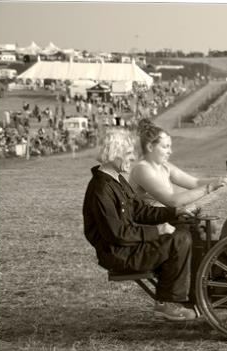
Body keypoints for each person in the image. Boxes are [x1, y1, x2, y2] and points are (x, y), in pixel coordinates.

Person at [82, 128, 196, 321]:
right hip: (118, 253)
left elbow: (141, 211)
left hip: (126, 246)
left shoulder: (117, 181)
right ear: (113, 154)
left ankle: (190, 292)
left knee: (186, 227)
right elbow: (117, 233)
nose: (133, 157)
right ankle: (166, 303)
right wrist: (158, 230)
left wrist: (175, 212)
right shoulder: (101, 189)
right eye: (128, 153)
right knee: (179, 239)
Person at [129, 120, 227, 210]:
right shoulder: (142, 170)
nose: (170, 151)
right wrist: (210, 187)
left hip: (165, 220)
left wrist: (226, 179)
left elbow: (195, 183)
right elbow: (173, 201)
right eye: (165, 147)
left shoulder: (164, 167)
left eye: (170, 146)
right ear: (150, 147)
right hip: (152, 227)